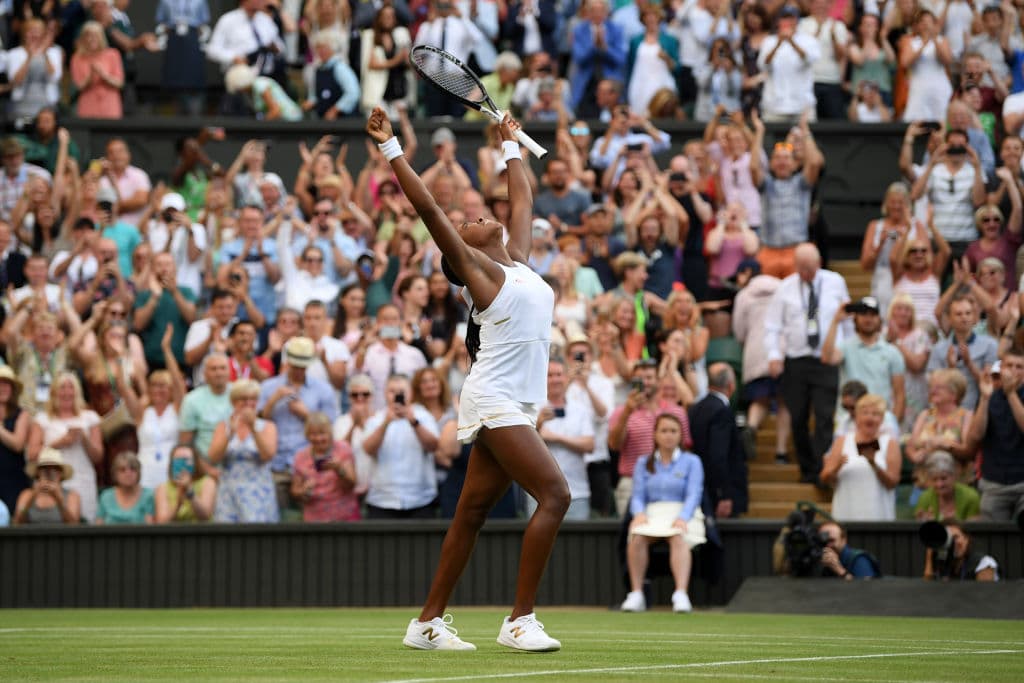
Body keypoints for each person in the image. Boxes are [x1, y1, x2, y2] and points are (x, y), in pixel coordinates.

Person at [368, 108, 567, 651]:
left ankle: (426, 624)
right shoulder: (481, 274)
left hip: (515, 404)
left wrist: (510, 145)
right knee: (555, 494)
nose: (473, 216)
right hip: (494, 399)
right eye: (465, 226)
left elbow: (522, 201)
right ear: (466, 255)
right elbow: (429, 209)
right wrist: (391, 148)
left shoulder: (517, 261)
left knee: (471, 514)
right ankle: (519, 620)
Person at [764, 243, 850, 484]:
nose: (806, 274)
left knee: (824, 416)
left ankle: (822, 469)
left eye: (810, 269)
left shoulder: (835, 282)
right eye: (801, 269)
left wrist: (847, 349)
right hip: (796, 360)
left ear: (819, 263)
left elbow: (847, 320)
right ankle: (806, 468)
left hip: (826, 359)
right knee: (798, 417)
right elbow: (772, 325)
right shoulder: (785, 288)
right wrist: (774, 355)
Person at [620, 413, 705, 613]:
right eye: (664, 431)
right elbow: (638, 495)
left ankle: (681, 594)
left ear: (680, 435)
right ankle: (636, 593)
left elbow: (694, 494)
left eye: (673, 431)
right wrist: (639, 514)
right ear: (655, 434)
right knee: (637, 537)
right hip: (652, 512)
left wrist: (683, 517)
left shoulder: (692, 461)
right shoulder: (643, 462)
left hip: (683, 511)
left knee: (678, 537)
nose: (668, 435)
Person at [258, 336, 340, 511]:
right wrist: (273, 401)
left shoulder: (323, 389)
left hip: (308, 466)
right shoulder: (268, 387)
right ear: (288, 362)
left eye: (302, 366)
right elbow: (259, 425)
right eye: (295, 365)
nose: (298, 370)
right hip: (277, 465)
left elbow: (330, 428)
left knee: (309, 518)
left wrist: (306, 414)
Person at [26, 373, 103, 522]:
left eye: (71, 387)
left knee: (83, 520)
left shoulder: (90, 417)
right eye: (62, 388)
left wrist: (84, 438)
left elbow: (98, 456)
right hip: (52, 479)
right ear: (54, 392)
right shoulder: (42, 419)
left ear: (77, 392)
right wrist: (60, 442)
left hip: (82, 478)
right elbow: (32, 454)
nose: (67, 392)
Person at [821, 296, 907, 425]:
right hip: (848, 420)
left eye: (872, 314)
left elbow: (900, 394)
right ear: (855, 318)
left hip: (879, 421)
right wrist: (836, 321)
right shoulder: (845, 347)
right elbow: (827, 358)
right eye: (863, 314)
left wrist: (893, 424)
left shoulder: (892, 352)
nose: (868, 319)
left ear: (879, 319)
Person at [820, 394, 901, 521]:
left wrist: (873, 464)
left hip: (878, 516)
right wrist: (837, 467)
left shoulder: (890, 443)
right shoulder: (842, 441)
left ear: (882, 419)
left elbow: (893, 483)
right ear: (856, 417)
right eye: (865, 413)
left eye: (875, 414)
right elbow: (824, 477)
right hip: (846, 515)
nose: (870, 418)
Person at [209, 379, 279, 523]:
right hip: (229, 491)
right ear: (233, 402)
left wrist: (253, 429)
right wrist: (229, 434)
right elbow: (213, 457)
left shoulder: (268, 426)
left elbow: (268, 455)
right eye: (243, 399)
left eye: (252, 399)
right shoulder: (223, 426)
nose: (248, 403)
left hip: (258, 491)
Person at [968, 348, 1024, 525]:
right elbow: (976, 435)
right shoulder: (989, 395)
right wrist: (984, 399)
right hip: (994, 481)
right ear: (1001, 369)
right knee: (991, 535)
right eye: (1009, 365)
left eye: (1019, 366)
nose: (1013, 370)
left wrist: (1011, 393)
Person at [687, 363, 748, 520]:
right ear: (731, 385)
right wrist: (724, 494)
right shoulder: (722, 411)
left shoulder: (696, 408)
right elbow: (718, 456)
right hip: (719, 495)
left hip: (702, 488)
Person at [926, 296, 998, 411]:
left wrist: (969, 364)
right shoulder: (939, 349)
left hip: (981, 410)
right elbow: (933, 386)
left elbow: (990, 383)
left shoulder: (990, 345)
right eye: (958, 314)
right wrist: (951, 368)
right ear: (949, 319)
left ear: (974, 317)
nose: (964, 317)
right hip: (947, 411)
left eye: (968, 313)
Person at [291, 412, 359, 522]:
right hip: (315, 519)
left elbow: (352, 484)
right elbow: (295, 491)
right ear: (307, 435)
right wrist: (304, 490)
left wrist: (339, 469)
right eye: (313, 434)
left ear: (330, 433)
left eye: (322, 433)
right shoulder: (300, 457)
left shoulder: (343, 449)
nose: (318, 438)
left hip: (344, 518)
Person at [178, 353, 233, 467]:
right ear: (205, 374)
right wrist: (207, 469)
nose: (218, 373)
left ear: (229, 371)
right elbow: (185, 443)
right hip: (205, 466)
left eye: (223, 368)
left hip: (238, 464)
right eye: (213, 369)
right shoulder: (192, 400)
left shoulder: (240, 395)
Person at [12, 447, 81, 525]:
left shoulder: (72, 496)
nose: (49, 472)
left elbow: (74, 526)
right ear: (37, 472)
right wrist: (32, 497)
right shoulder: (27, 494)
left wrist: (59, 500)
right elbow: (17, 523)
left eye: (54, 468)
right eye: (44, 468)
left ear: (61, 473)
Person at [153, 444, 216, 523]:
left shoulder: (207, 482)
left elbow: (205, 516)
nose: (182, 464)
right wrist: (178, 504)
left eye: (186, 460)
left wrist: (190, 494)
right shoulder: (163, 488)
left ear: (195, 462)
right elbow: (162, 522)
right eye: (178, 460)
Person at [914, 450, 981, 522]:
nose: (939, 484)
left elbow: (973, 527)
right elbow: (918, 525)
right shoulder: (925, 498)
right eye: (934, 479)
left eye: (944, 478)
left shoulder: (971, 497)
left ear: (954, 476)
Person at [0, 365, 30, 517]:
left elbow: (18, 444)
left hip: (13, 479)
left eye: (6, 384)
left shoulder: (21, 414)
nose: (3, 388)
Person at [923, 521, 999, 581]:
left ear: (966, 539)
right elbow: (928, 590)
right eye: (948, 539)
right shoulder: (943, 565)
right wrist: (929, 556)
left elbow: (985, 593)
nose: (953, 543)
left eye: (956, 537)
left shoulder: (984, 562)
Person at [95, 452, 154, 524]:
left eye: (133, 469)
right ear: (115, 474)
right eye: (122, 470)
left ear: (139, 473)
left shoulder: (148, 496)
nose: (128, 474)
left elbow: (150, 527)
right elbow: (98, 524)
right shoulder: (106, 496)